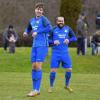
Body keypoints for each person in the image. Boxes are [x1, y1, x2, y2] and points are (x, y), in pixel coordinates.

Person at [23, 3, 52, 97]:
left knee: (38, 66)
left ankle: (36, 89)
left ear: (42, 11)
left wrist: (38, 32)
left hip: (43, 45)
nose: (39, 11)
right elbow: (28, 28)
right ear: (35, 10)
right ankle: (34, 89)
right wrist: (25, 32)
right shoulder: (31, 20)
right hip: (34, 45)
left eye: (41, 9)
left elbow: (49, 28)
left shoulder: (44, 19)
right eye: (37, 9)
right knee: (33, 67)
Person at [48, 17, 77, 93]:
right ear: (56, 21)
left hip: (65, 53)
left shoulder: (68, 29)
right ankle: (51, 86)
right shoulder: (53, 29)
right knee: (53, 70)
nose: (61, 22)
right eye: (59, 21)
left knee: (69, 69)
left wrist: (69, 40)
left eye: (62, 21)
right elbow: (47, 40)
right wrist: (53, 41)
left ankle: (67, 85)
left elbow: (74, 38)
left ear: (64, 21)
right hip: (55, 53)